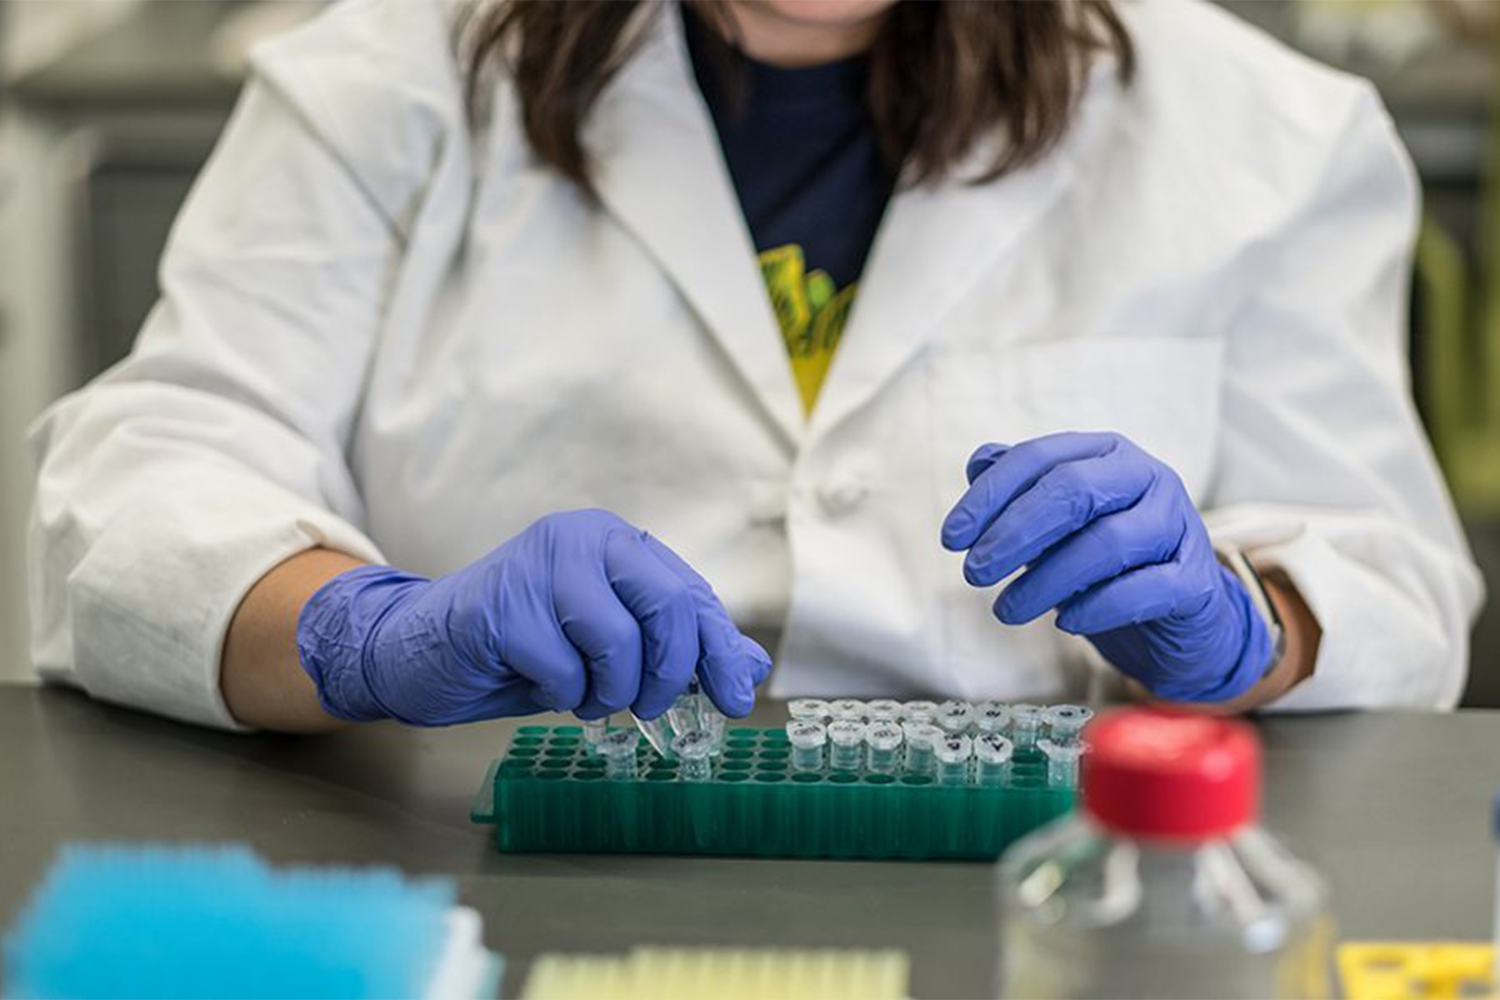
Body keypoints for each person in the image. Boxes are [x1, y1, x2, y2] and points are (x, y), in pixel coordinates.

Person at [28, 0, 1482, 733]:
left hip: (1053, 883)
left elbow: (1393, 583)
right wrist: (366, 634)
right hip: (481, 854)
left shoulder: (1268, 133)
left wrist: (1241, 625)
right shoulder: (389, 76)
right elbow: (151, 479)